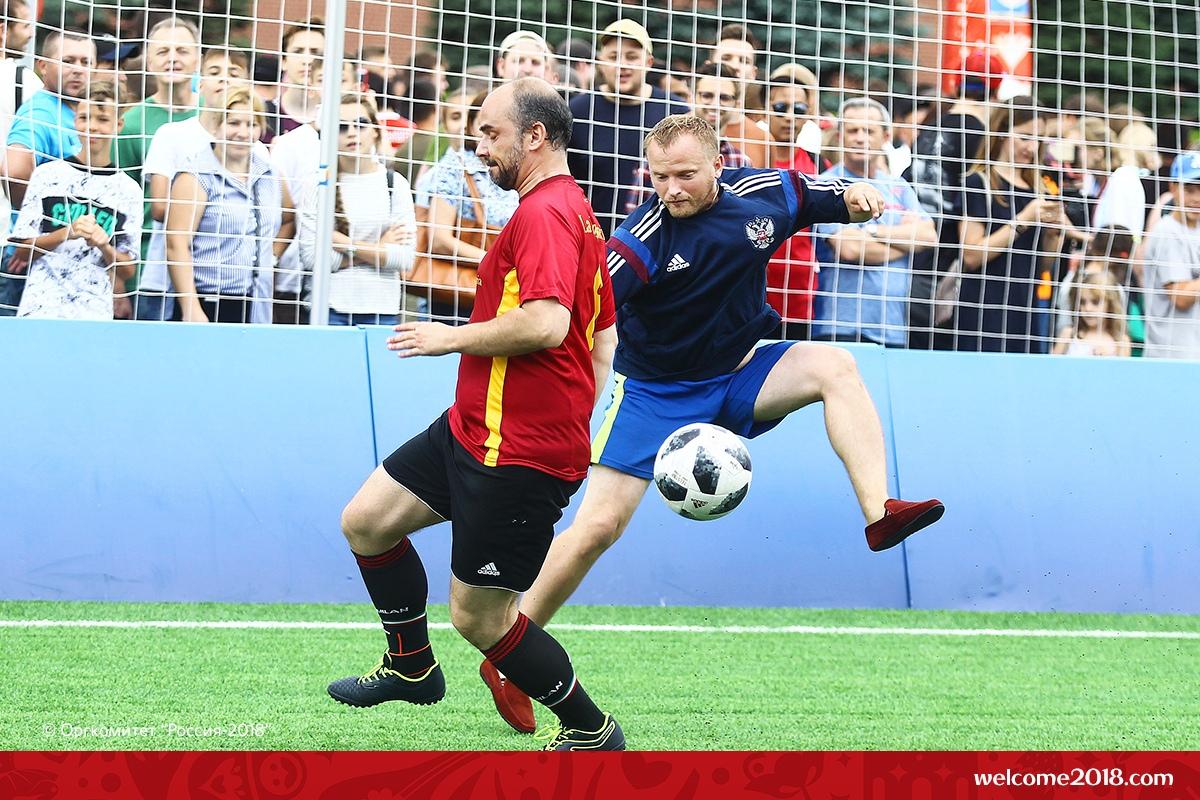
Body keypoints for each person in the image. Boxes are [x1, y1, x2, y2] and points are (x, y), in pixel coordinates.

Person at [478, 113, 944, 734]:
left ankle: (880, 512)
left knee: (836, 366)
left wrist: (857, 197)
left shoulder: (764, 195)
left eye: (686, 175)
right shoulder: (638, 243)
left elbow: (824, 194)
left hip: (741, 370)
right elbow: (580, 312)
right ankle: (510, 659)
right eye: (660, 177)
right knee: (596, 529)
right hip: (654, 393)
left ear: (719, 165)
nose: (671, 189)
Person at [328, 78, 625, 752]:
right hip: (472, 428)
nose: (479, 145)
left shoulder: (547, 214)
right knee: (367, 522)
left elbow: (548, 323)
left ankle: (591, 729)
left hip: (516, 452)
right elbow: (602, 336)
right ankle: (411, 666)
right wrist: (572, 411)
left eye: (491, 133)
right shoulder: (575, 212)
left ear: (535, 136)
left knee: (480, 619)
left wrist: (449, 338)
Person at [136, 49, 259, 322]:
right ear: (200, 83)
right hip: (164, 283)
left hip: (233, 288)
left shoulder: (255, 146)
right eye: (215, 72)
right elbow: (159, 208)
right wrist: (210, 209)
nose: (224, 79)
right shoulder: (173, 134)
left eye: (234, 73)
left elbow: (277, 216)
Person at [9, 82, 141, 319]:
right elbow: (22, 252)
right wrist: (66, 233)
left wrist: (104, 245)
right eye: (84, 117)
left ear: (118, 125)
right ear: (75, 121)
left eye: (102, 119)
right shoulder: (47, 175)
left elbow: (128, 270)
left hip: (94, 315)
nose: (92, 126)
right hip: (41, 309)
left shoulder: (129, 190)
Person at [812, 98, 935, 346]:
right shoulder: (825, 185)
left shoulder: (898, 186)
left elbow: (928, 237)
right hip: (841, 324)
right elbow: (849, 248)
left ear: (886, 137)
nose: (860, 138)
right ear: (840, 136)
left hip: (893, 326)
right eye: (853, 130)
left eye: (869, 131)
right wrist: (905, 240)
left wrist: (870, 231)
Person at [903, 47, 1002, 350]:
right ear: (995, 92)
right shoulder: (982, 137)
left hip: (910, 259)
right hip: (946, 272)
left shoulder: (930, 126)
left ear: (957, 84)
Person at [956, 99, 1067, 353]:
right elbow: (971, 255)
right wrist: (1023, 220)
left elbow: (1042, 266)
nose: (1032, 147)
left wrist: (1055, 233)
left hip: (1026, 311)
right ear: (1002, 132)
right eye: (1024, 137)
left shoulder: (1039, 189)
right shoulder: (979, 183)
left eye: (1038, 139)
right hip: (982, 312)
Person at [165, 87, 285, 324]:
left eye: (251, 124)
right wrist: (191, 309)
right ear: (216, 126)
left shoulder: (269, 173)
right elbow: (175, 244)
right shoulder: (196, 175)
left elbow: (289, 220)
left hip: (258, 303)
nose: (243, 132)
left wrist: (270, 257)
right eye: (233, 123)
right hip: (209, 300)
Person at [297, 94, 416, 326]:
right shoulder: (318, 184)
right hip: (328, 307)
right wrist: (378, 249)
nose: (352, 133)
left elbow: (404, 257)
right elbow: (312, 259)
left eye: (361, 124)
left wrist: (339, 242)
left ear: (375, 131)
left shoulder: (394, 184)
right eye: (341, 127)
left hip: (383, 309)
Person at [2, 27, 94, 314]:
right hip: (30, 262)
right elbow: (13, 172)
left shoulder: (79, 113)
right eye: (68, 61)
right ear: (43, 66)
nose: (78, 69)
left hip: (68, 262)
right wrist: (36, 226)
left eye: (86, 62)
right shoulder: (41, 113)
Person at [567, 19, 689, 235]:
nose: (622, 65)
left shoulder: (676, 112)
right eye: (613, 57)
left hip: (661, 242)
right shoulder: (577, 111)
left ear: (649, 62)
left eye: (631, 57)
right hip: (592, 241)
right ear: (600, 62)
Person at [114, 17, 201, 318]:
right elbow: (116, 203)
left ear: (198, 59)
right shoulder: (131, 123)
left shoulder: (216, 115)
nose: (172, 58)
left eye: (182, 50)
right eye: (163, 51)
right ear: (149, 61)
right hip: (146, 271)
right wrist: (118, 283)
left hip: (207, 268)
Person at [413, 90, 519, 321]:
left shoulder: (516, 169)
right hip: (457, 300)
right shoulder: (456, 167)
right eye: (484, 128)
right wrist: (495, 262)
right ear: (472, 127)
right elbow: (439, 241)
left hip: (506, 293)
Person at [621, 63, 751, 214]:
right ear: (692, 97)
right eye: (707, 96)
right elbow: (636, 215)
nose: (715, 104)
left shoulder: (741, 161)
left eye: (724, 98)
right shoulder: (660, 152)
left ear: (737, 104)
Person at [1141, 151, 1200, 359]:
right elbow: (1180, 297)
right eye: (1189, 190)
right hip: (1172, 358)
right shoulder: (1167, 232)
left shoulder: (1196, 228)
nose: (1197, 198)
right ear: (1173, 188)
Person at [0, 0, 42, 248]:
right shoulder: (23, 81)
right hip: (8, 222)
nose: (32, 33)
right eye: (25, 25)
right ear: (2, 30)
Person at [1051, 268, 1131, 357]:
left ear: (1110, 304)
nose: (1088, 308)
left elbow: (1124, 365)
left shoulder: (1121, 340)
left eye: (1095, 302)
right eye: (1082, 302)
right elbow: (1051, 364)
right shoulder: (1069, 334)